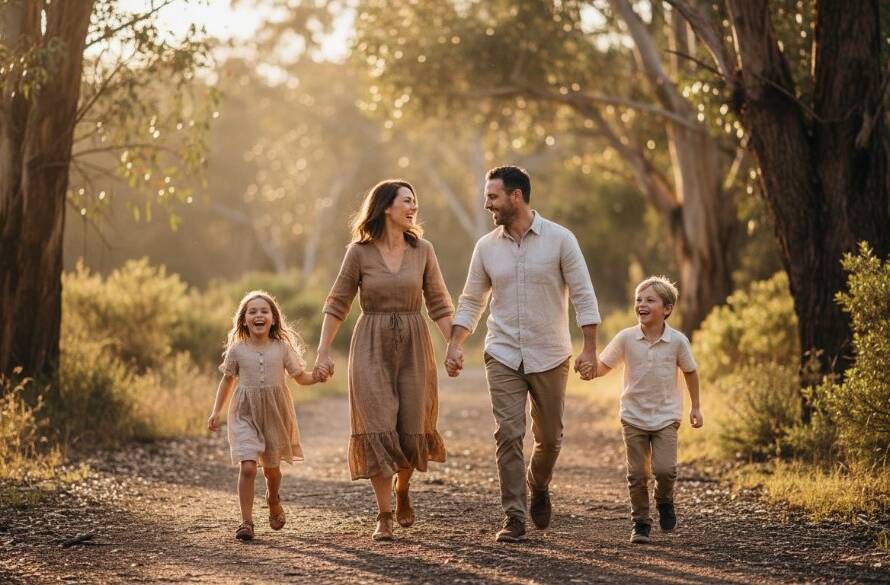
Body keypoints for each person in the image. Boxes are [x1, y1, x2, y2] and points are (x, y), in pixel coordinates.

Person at [446, 165, 601, 543]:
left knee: (550, 439)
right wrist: (454, 343)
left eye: (493, 197)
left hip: (550, 353)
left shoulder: (561, 240)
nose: (487, 204)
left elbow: (583, 293)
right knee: (509, 433)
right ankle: (513, 516)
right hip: (502, 353)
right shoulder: (485, 247)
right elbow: (471, 300)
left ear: (516, 197)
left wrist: (590, 349)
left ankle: (539, 483)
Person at [315, 179, 454, 542]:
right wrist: (323, 351)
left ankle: (403, 488)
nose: (413, 208)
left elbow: (438, 302)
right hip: (370, 344)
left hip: (414, 345)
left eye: (415, 203)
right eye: (407, 201)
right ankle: (384, 513)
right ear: (386, 207)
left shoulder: (423, 249)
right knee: (377, 424)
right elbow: (338, 302)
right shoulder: (359, 252)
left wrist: (454, 345)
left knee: (411, 424)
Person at [208, 290, 328, 541]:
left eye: (264, 311)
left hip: (275, 413)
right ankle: (246, 522)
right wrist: (216, 411)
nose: (258, 315)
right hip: (245, 413)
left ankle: (273, 499)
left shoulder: (282, 348)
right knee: (249, 466)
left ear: (273, 319)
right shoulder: (237, 350)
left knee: (272, 471)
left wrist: (317, 377)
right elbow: (227, 381)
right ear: (243, 320)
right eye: (252, 311)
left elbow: (300, 377)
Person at [593, 275, 703, 544]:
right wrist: (588, 368)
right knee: (637, 474)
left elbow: (690, 371)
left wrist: (696, 407)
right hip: (633, 416)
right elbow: (603, 366)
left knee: (665, 470)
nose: (641, 304)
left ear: (667, 309)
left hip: (666, 417)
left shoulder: (677, 341)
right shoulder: (626, 338)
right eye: (638, 300)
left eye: (649, 300)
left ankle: (664, 500)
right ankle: (640, 523)